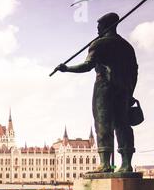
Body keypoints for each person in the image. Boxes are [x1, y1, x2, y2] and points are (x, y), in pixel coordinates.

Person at [56, 13, 138, 173]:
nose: (97, 30)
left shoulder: (99, 43)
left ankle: (105, 164)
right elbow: (134, 71)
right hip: (123, 90)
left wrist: (66, 69)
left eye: (99, 26)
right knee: (123, 125)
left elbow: (87, 66)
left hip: (104, 88)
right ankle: (127, 164)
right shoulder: (127, 46)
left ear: (107, 25)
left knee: (103, 123)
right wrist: (130, 91)